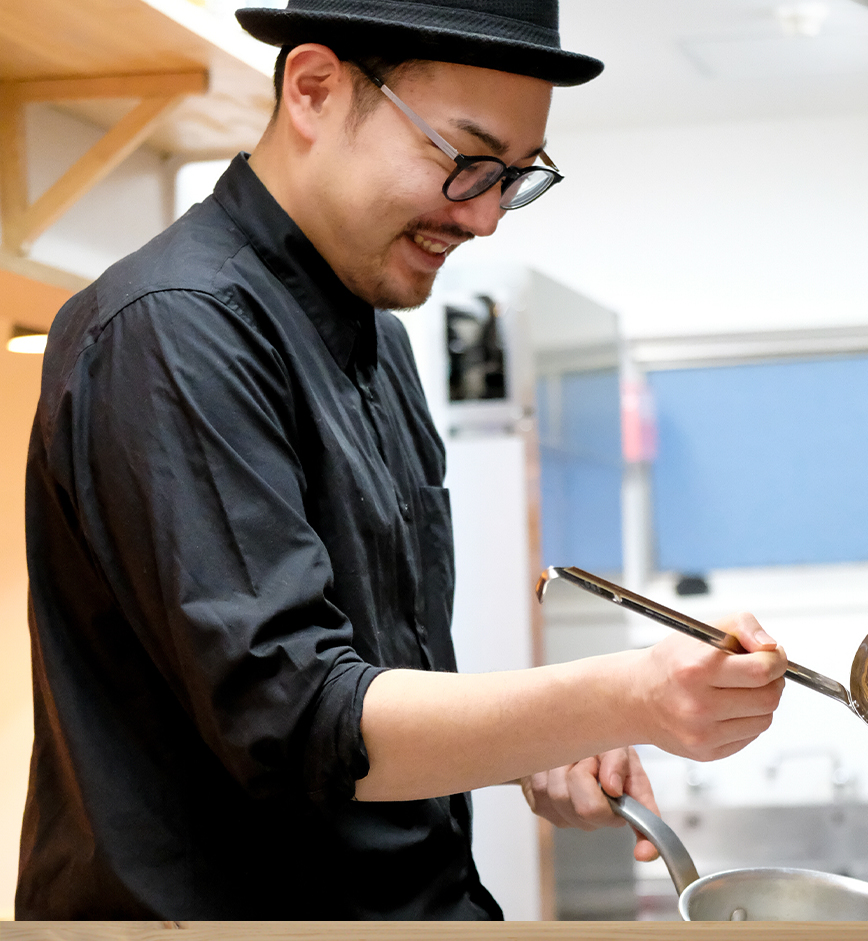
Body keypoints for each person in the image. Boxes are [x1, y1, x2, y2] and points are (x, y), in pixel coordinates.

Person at [16, 0, 788, 919]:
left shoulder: (377, 338)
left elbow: (373, 672)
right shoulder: (173, 326)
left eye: (513, 177)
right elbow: (298, 718)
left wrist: (531, 741)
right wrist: (626, 695)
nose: (489, 217)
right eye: (465, 160)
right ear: (313, 88)